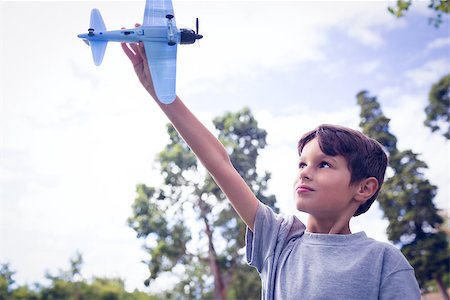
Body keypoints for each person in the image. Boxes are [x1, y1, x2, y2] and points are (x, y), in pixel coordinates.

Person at [121, 39, 421, 299]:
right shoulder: (279, 241)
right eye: (302, 163)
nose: (305, 172)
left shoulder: (384, 262)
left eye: (324, 164)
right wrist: (161, 93)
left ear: (364, 188)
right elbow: (219, 163)